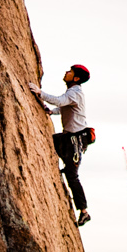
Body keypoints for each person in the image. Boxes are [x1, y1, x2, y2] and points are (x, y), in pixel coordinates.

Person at [27, 63, 94, 226]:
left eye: (70, 72)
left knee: (72, 175)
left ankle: (84, 211)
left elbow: (60, 101)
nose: (66, 72)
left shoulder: (75, 93)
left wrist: (39, 93)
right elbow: (65, 107)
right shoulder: (73, 93)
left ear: (76, 78)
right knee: (51, 144)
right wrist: (52, 111)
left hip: (75, 140)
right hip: (69, 138)